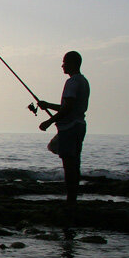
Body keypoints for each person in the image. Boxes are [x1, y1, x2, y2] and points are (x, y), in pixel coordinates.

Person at [37, 51, 89, 209]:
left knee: (69, 165)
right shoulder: (83, 81)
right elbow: (68, 107)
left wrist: (49, 121)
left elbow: (67, 109)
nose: (62, 65)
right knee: (75, 164)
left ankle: (70, 200)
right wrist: (48, 105)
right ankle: (72, 198)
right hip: (79, 125)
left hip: (70, 127)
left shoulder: (72, 82)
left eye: (65, 62)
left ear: (72, 63)